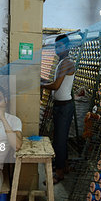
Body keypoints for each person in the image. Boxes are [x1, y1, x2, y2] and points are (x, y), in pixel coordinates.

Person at [41, 34, 75, 184]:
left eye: (60, 46)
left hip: (64, 107)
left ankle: (59, 174)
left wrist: (41, 85)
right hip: (60, 106)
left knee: (60, 141)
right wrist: (45, 82)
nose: (57, 49)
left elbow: (56, 86)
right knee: (59, 139)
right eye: (56, 46)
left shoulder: (66, 63)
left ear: (67, 47)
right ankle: (64, 166)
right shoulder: (61, 63)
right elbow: (55, 83)